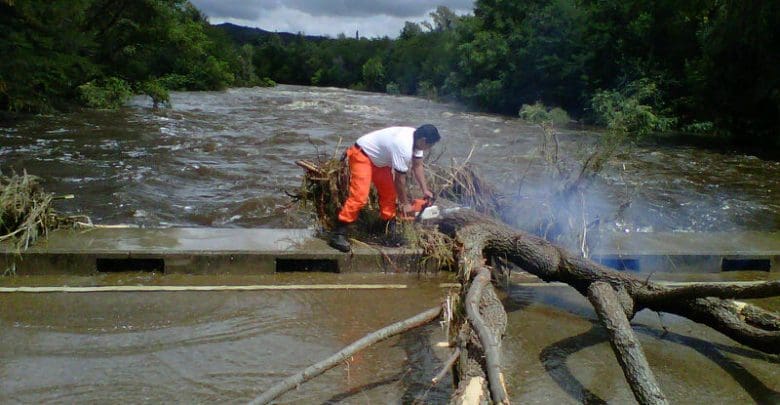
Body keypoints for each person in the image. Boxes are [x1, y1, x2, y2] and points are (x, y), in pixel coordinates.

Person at [329, 124, 441, 252]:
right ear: (423, 141)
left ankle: (386, 227)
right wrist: (405, 204)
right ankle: (339, 233)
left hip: (380, 161)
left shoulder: (417, 140)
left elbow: (417, 166)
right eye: (430, 145)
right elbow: (399, 180)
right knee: (359, 197)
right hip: (362, 154)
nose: (429, 148)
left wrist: (425, 189)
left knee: (389, 194)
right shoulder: (403, 145)